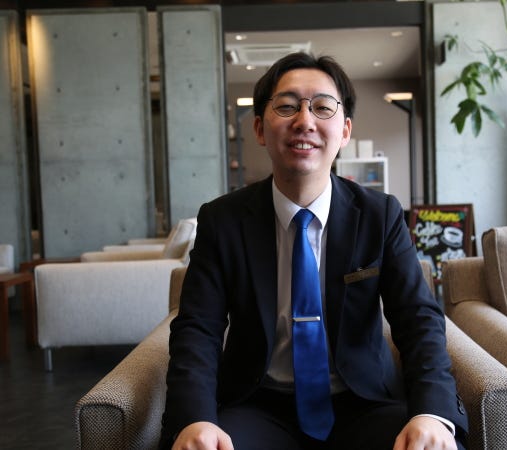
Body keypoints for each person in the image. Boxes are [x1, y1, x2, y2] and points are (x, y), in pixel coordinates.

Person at [160, 52, 468, 450]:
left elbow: (418, 320)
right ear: (259, 128)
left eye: (322, 108)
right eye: (287, 106)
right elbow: (198, 329)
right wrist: (195, 419)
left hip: (364, 402)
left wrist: (431, 413)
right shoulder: (223, 221)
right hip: (258, 405)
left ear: (345, 130)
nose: (305, 121)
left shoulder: (380, 215)